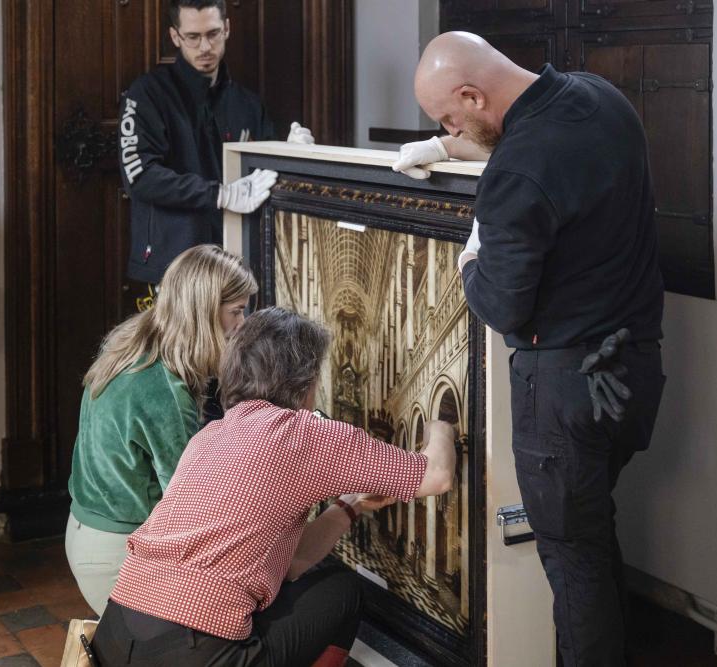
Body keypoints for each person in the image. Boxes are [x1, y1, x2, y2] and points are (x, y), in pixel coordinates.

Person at [394, 32, 665, 666]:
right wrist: (446, 146)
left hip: (565, 391)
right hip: (636, 368)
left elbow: (499, 304)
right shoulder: (602, 100)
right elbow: (541, 157)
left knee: (572, 561)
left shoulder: (515, 174)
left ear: (472, 94)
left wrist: (470, 258)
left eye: (449, 118)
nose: (449, 128)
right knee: (592, 539)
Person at [91, 307, 458, 666]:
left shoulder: (211, 435)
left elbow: (291, 562)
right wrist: (441, 425)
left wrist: (350, 506)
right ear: (305, 378)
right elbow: (437, 475)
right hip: (191, 653)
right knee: (341, 591)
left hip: (116, 634)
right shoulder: (304, 433)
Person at [65, 244, 258, 617]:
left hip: (85, 531)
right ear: (204, 310)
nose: (242, 324)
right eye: (236, 311)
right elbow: (185, 502)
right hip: (115, 551)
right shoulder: (164, 389)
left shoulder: (134, 338)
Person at [120, 0, 313, 290]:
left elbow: (262, 176)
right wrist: (220, 194)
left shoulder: (247, 103)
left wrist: (290, 154)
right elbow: (142, 178)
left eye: (212, 34)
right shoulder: (147, 94)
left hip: (235, 256)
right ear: (175, 37)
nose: (205, 47)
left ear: (227, 28)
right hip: (172, 262)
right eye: (193, 37)